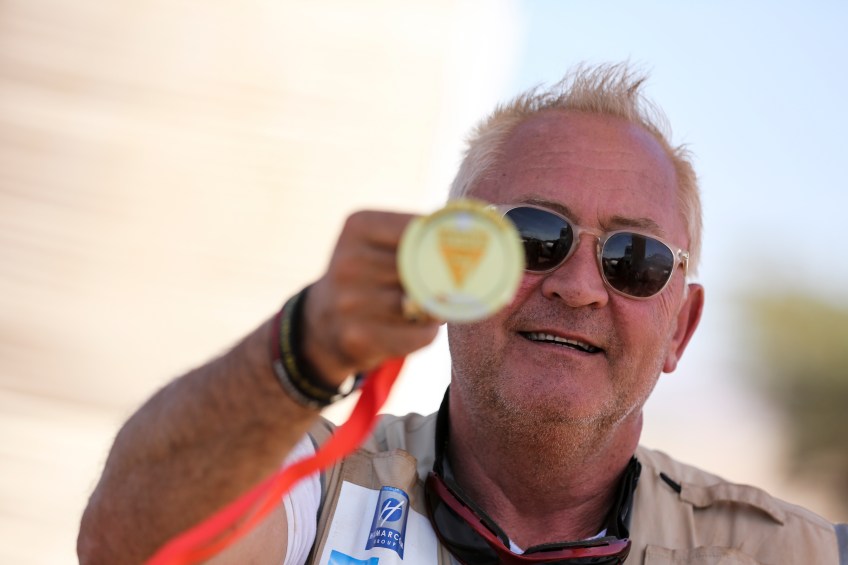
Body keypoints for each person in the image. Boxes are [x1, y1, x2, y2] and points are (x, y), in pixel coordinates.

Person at [77, 63, 847, 565]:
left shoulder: (789, 551)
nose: (579, 287)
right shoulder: (322, 485)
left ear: (680, 326)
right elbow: (129, 545)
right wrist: (299, 348)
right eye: (532, 237)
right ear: (448, 269)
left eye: (634, 258)